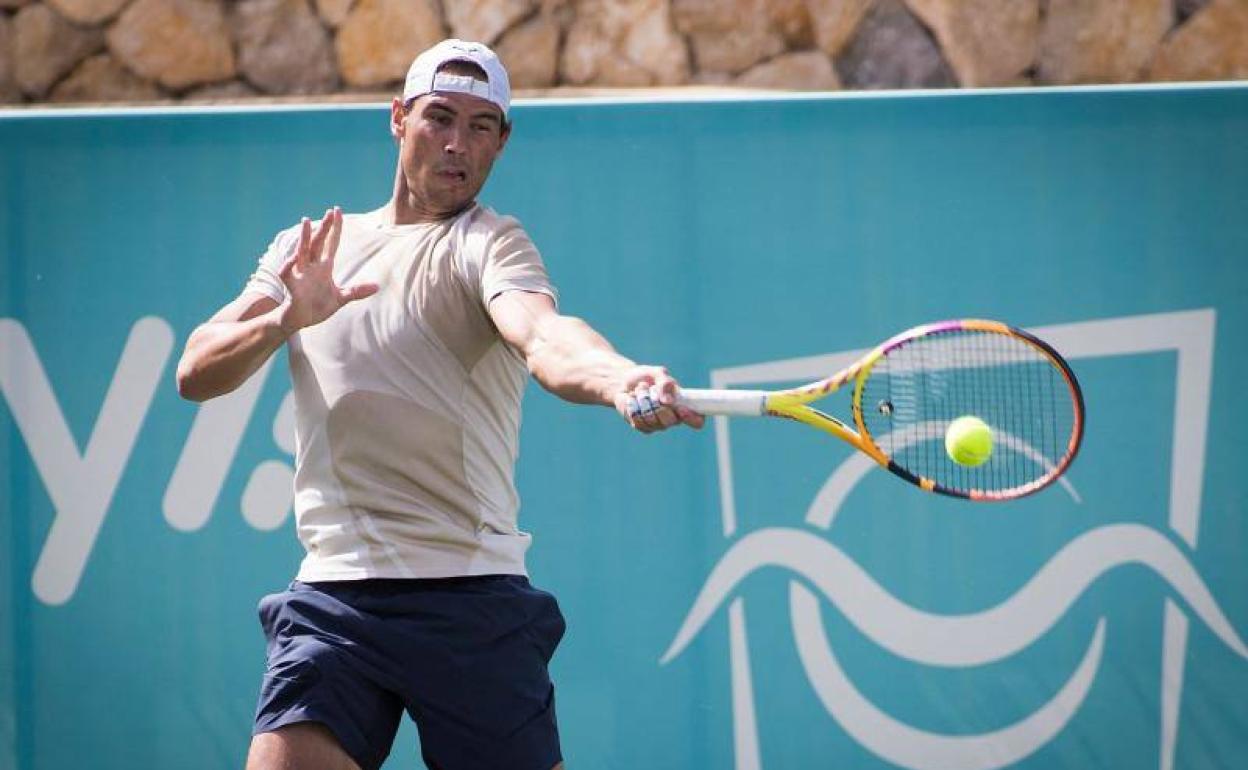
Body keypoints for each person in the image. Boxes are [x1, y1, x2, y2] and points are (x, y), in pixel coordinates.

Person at [175, 39, 703, 770]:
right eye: (439, 118)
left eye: (481, 127)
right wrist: (285, 318)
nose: (457, 144)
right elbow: (196, 371)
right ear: (398, 119)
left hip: (469, 593)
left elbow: (545, 336)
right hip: (337, 596)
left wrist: (617, 378)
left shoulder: (490, 244)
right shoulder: (313, 252)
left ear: (502, 141)